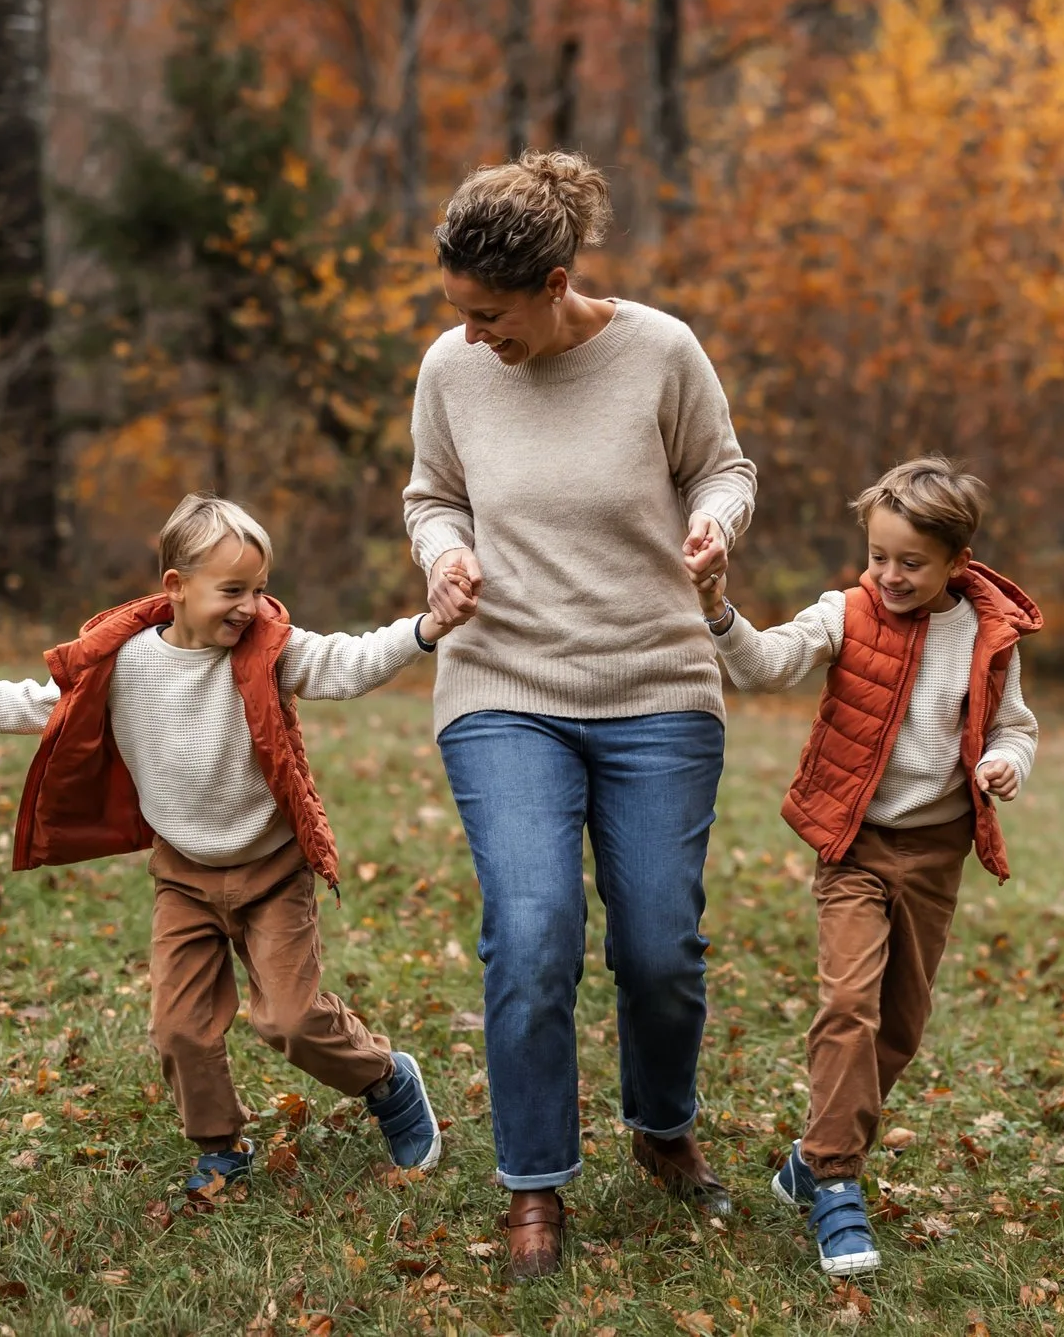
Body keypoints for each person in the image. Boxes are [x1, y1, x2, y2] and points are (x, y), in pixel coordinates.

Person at [0, 493, 472, 1194]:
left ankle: (386, 1078)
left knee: (290, 1016)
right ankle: (220, 1143)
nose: (250, 605)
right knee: (179, 1026)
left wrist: (426, 628)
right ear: (176, 588)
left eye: (258, 588)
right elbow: (34, 704)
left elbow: (348, 662)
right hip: (184, 876)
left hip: (272, 870)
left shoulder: (269, 651)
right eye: (232, 590)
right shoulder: (123, 664)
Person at [403, 150, 757, 1280]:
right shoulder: (451, 371)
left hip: (656, 681)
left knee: (659, 946)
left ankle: (661, 1127)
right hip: (504, 685)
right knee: (534, 928)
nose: (470, 335)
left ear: (556, 281)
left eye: (489, 313)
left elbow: (724, 467)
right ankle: (535, 1184)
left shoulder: (660, 350)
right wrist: (445, 551)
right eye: (455, 310)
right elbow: (433, 492)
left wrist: (713, 525)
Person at [691, 456, 1041, 1277]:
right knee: (849, 1002)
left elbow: (1015, 726)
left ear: (957, 562)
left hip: (937, 851)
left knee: (902, 1023)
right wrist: (718, 610)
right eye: (877, 555)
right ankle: (838, 1185)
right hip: (855, 845)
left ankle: (809, 1156)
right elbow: (766, 663)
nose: (887, 574)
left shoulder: (989, 635)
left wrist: (1004, 763)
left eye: (909, 562)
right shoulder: (846, 613)